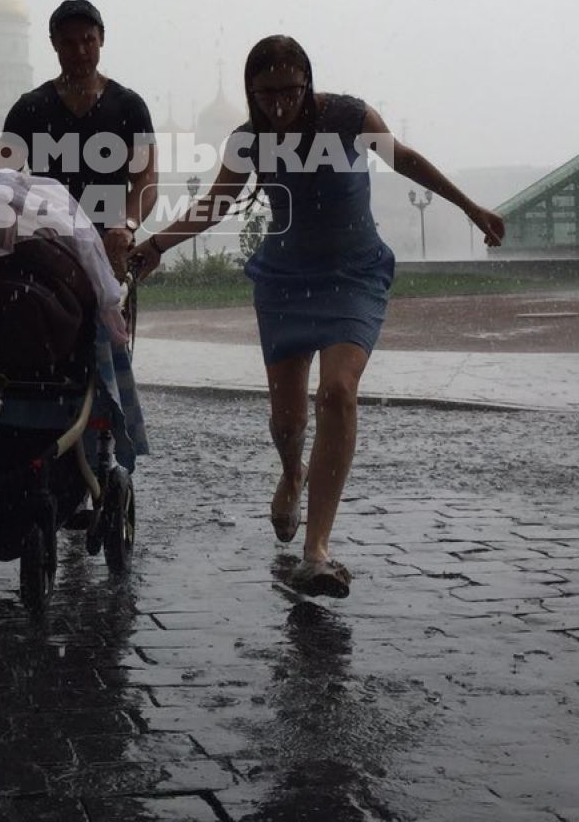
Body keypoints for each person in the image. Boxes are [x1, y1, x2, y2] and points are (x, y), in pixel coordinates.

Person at [132, 35, 504, 598]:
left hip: (354, 275)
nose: (279, 104)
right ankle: (291, 472)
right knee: (287, 424)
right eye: (266, 95)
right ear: (251, 93)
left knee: (338, 393)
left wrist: (471, 207)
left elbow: (405, 159)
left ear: (308, 83)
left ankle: (318, 551)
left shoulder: (349, 117)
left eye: (289, 91)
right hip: (284, 280)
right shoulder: (248, 140)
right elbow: (215, 205)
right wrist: (157, 244)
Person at [0, 0, 156, 476]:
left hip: (106, 256)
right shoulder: (29, 109)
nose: (81, 51)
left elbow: (145, 183)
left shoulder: (129, 107)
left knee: (97, 354)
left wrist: (124, 226)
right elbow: (1, 176)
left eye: (89, 40)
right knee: (40, 349)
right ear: (53, 46)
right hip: (46, 254)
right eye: (70, 42)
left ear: (102, 40)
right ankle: (45, 450)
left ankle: (98, 453)